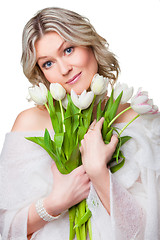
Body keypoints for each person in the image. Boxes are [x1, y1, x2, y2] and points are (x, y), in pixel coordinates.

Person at [0, 7, 159, 240]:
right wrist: (55, 204)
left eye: (68, 49)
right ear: (41, 74)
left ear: (89, 43)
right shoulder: (28, 123)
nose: (65, 69)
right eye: (48, 63)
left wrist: (98, 173)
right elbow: (4, 225)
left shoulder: (137, 120)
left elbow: (148, 231)